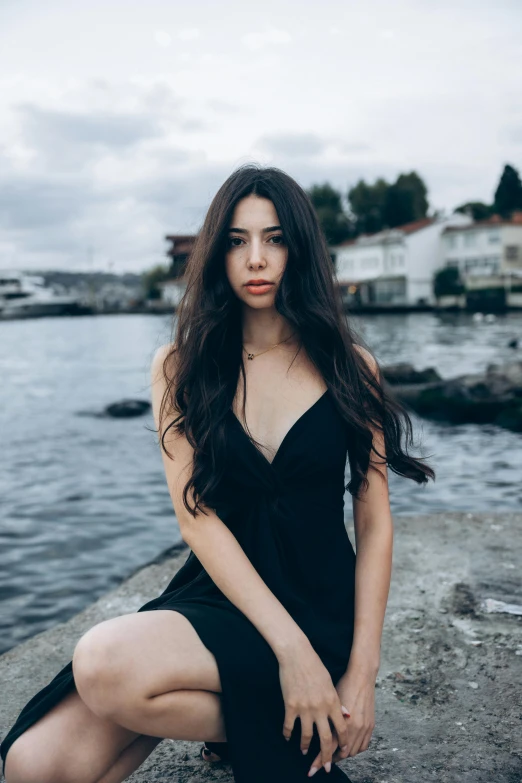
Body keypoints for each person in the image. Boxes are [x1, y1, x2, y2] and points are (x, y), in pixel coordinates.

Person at [1, 163, 435, 783]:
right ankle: (292, 724)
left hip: (317, 603)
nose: (256, 258)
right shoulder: (180, 364)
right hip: (221, 594)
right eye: (237, 240)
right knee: (31, 767)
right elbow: (195, 519)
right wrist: (290, 658)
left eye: (275, 238)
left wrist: (359, 674)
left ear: (301, 249)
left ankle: (294, 718)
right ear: (216, 253)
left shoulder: (350, 366)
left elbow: (374, 519)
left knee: (104, 663)